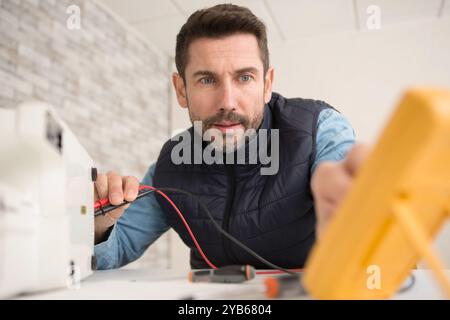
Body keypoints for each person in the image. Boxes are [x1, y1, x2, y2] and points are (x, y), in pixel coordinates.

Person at [94, 4, 369, 270]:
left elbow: (352, 198)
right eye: (206, 80)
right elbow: (116, 249)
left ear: (267, 84)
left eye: (245, 78)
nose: (227, 102)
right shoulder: (170, 164)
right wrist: (99, 226)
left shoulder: (319, 127)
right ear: (181, 90)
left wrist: (356, 213)